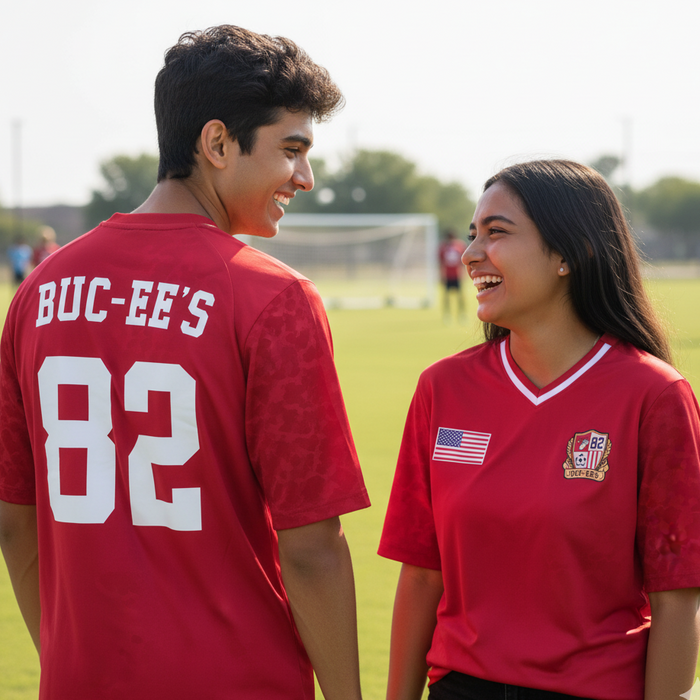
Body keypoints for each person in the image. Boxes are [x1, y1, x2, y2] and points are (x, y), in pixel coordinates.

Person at [0, 25, 370, 700]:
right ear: (218, 143)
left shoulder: (39, 293)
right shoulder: (273, 298)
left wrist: (65, 660)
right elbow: (312, 548)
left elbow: (12, 516)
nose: (306, 177)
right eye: (292, 149)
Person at [379, 160, 700, 700]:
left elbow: (677, 599)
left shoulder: (654, 396)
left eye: (497, 232)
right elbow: (421, 576)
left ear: (569, 255)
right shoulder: (442, 388)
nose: (472, 253)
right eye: (472, 234)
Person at [437, 230, 467, 322]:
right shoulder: (443, 248)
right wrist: (441, 275)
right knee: (446, 297)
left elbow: (463, 262)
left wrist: (464, 273)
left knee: (460, 297)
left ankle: (462, 314)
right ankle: (447, 315)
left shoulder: (460, 246)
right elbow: (440, 262)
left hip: (457, 275)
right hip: (447, 276)